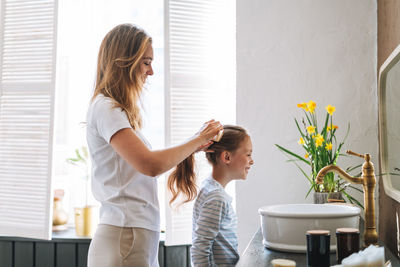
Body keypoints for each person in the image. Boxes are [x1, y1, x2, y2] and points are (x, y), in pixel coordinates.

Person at [86, 23, 223, 267]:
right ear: (124, 62)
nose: (151, 72)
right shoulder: (107, 108)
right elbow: (149, 164)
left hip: (131, 235)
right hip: (125, 235)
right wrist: (198, 139)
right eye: (146, 62)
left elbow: (149, 161)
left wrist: (195, 144)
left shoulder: (116, 111)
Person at [168, 125, 254, 266]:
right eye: (248, 154)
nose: (252, 161)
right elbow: (199, 249)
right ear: (226, 157)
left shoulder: (210, 187)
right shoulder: (216, 198)